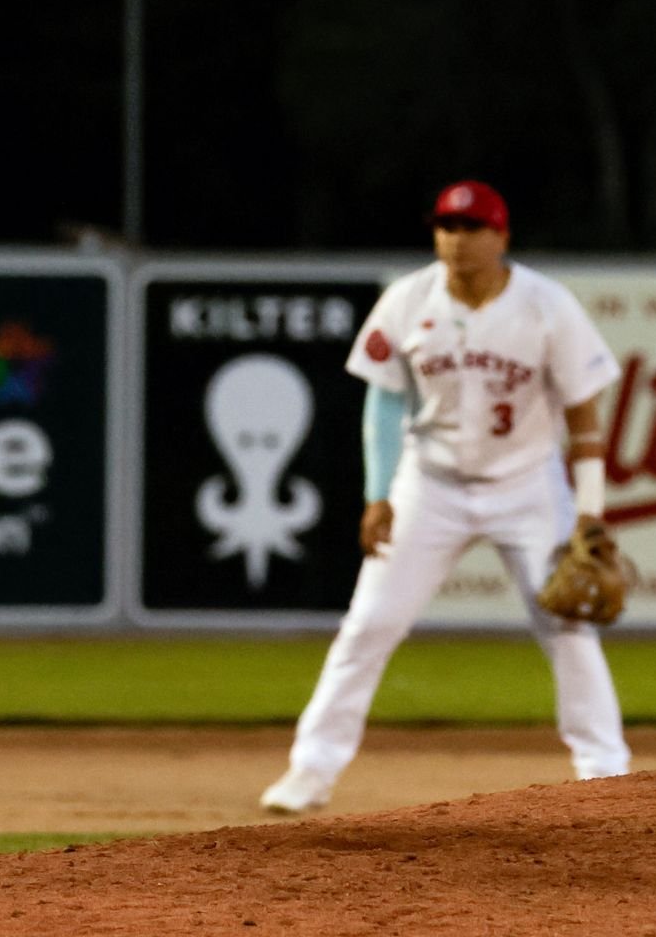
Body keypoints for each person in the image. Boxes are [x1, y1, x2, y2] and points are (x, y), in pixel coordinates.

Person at [260, 180, 630, 814]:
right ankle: (310, 773)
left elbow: (587, 423)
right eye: (446, 226)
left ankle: (605, 774)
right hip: (429, 485)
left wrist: (589, 515)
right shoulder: (406, 300)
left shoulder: (548, 305)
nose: (457, 239)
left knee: (567, 627)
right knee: (367, 626)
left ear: (501, 236)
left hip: (526, 487)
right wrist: (378, 495)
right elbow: (382, 403)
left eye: (472, 227)